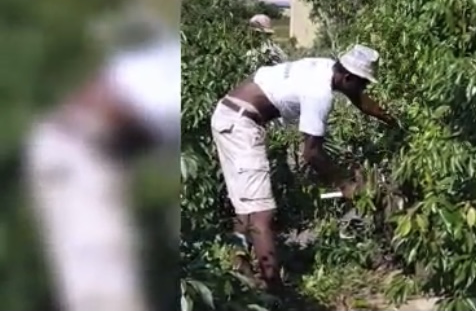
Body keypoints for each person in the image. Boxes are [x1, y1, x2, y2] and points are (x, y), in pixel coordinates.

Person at [211, 43, 396, 292]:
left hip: (232, 114)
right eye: (363, 83)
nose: (364, 89)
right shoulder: (320, 93)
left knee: (249, 202)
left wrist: (391, 120)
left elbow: (359, 98)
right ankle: (274, 292)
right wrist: (344, 184)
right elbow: (310, 154)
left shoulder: (327, 67)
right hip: (240, 124)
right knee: (261, 214)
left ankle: (241, 270)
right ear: (348, 77)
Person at [24, 34, 180, 311]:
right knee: (105, 290)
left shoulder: (169, 61)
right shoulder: (171, 70)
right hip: (80, 152)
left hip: (88, 151)